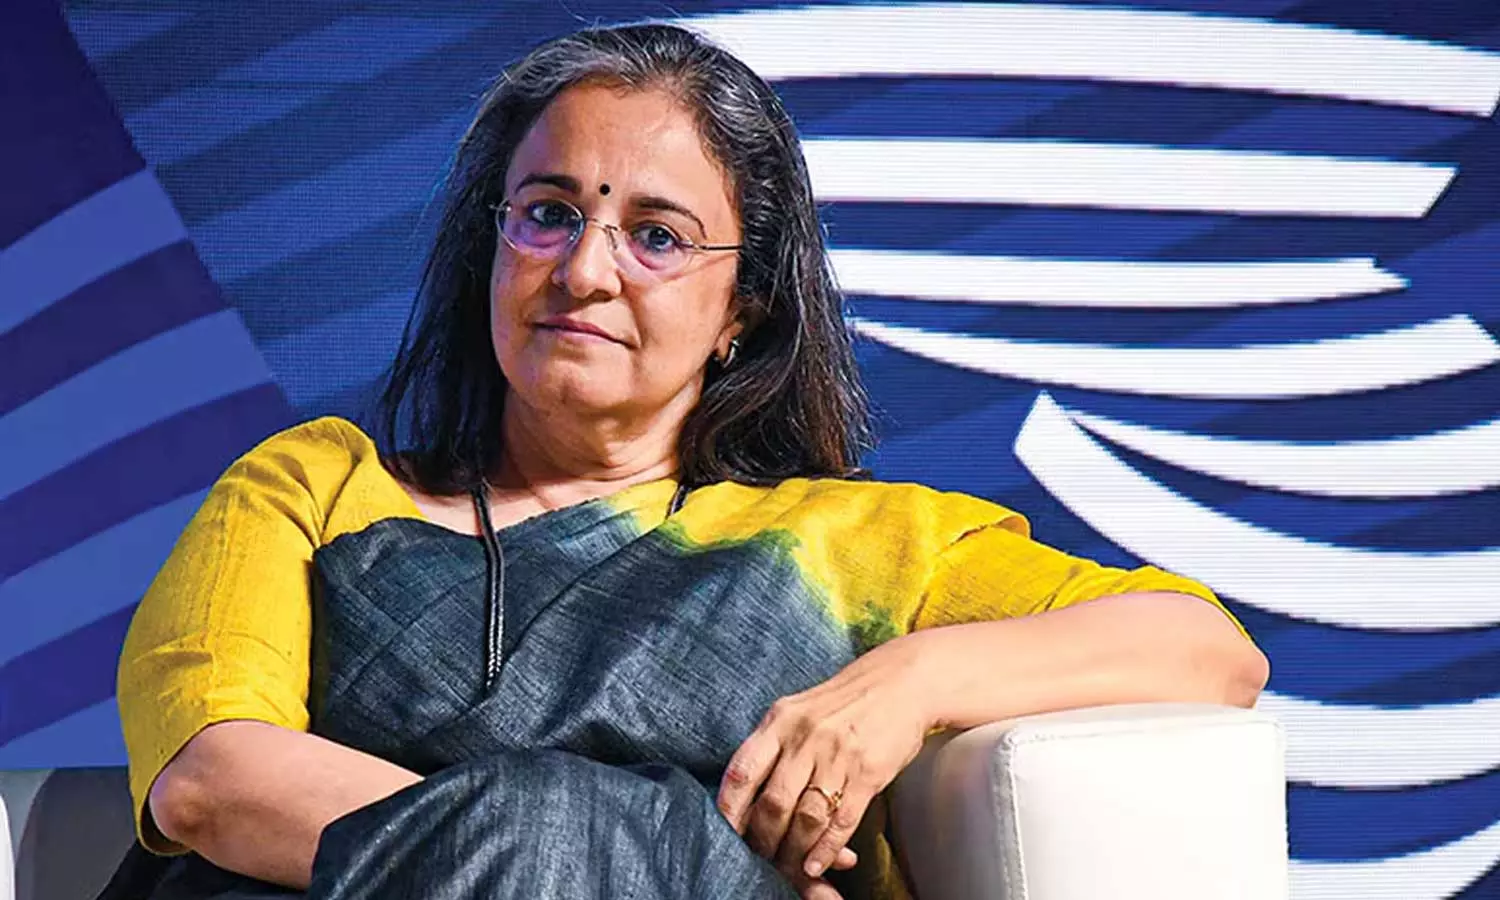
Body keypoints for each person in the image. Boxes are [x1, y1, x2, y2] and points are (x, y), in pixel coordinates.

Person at [108, 22, 1268, 900]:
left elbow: (1205, 650)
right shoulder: (315, 484)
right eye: (548, 213)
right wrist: (679, 860)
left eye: (655, 236)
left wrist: (907, 684)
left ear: (741, 312)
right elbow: (213, 778)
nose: (584, 271)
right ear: (490, 247)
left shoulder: (848, 544)